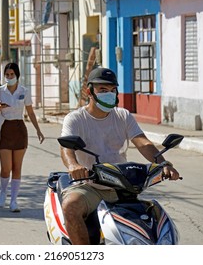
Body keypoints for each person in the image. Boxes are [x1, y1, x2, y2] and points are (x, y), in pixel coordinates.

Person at [60, 67, 181, 244]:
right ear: (90, 91)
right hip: (91, 185)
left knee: (153, 217)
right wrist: (73, 165)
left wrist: (164, 164)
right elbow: (66, 148)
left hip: (123, 186)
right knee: (71, 206)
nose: (108, 93)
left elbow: (143, 143)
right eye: (102, 90)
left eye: (112, 90)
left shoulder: (123, 116)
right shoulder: (75, 119)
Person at [0, 62, 45, 212]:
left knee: (17, 167)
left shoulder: (24, 91)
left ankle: (14, 200)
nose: (9, 77)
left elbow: (30, 112)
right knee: (5, 168)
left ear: (17, 75)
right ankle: (3, 192)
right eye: (7, 75)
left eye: (12, 74)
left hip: (19, 129)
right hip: (5, 129)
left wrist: (38, 130)